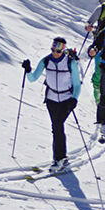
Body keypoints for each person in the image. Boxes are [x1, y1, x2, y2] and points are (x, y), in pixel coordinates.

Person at [23, 37, 84, 167]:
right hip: (51, 100)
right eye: (53, 50)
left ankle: (59, 158)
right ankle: (61, 157)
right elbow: (32, 78)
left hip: (66, 100)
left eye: (58, 51)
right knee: (56, 127)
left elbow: (77, 84)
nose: (55, 53)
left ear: (63, 51)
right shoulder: (46, 61)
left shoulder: (70, 63)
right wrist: (28, 70)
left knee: (57, 126)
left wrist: (74, 99)